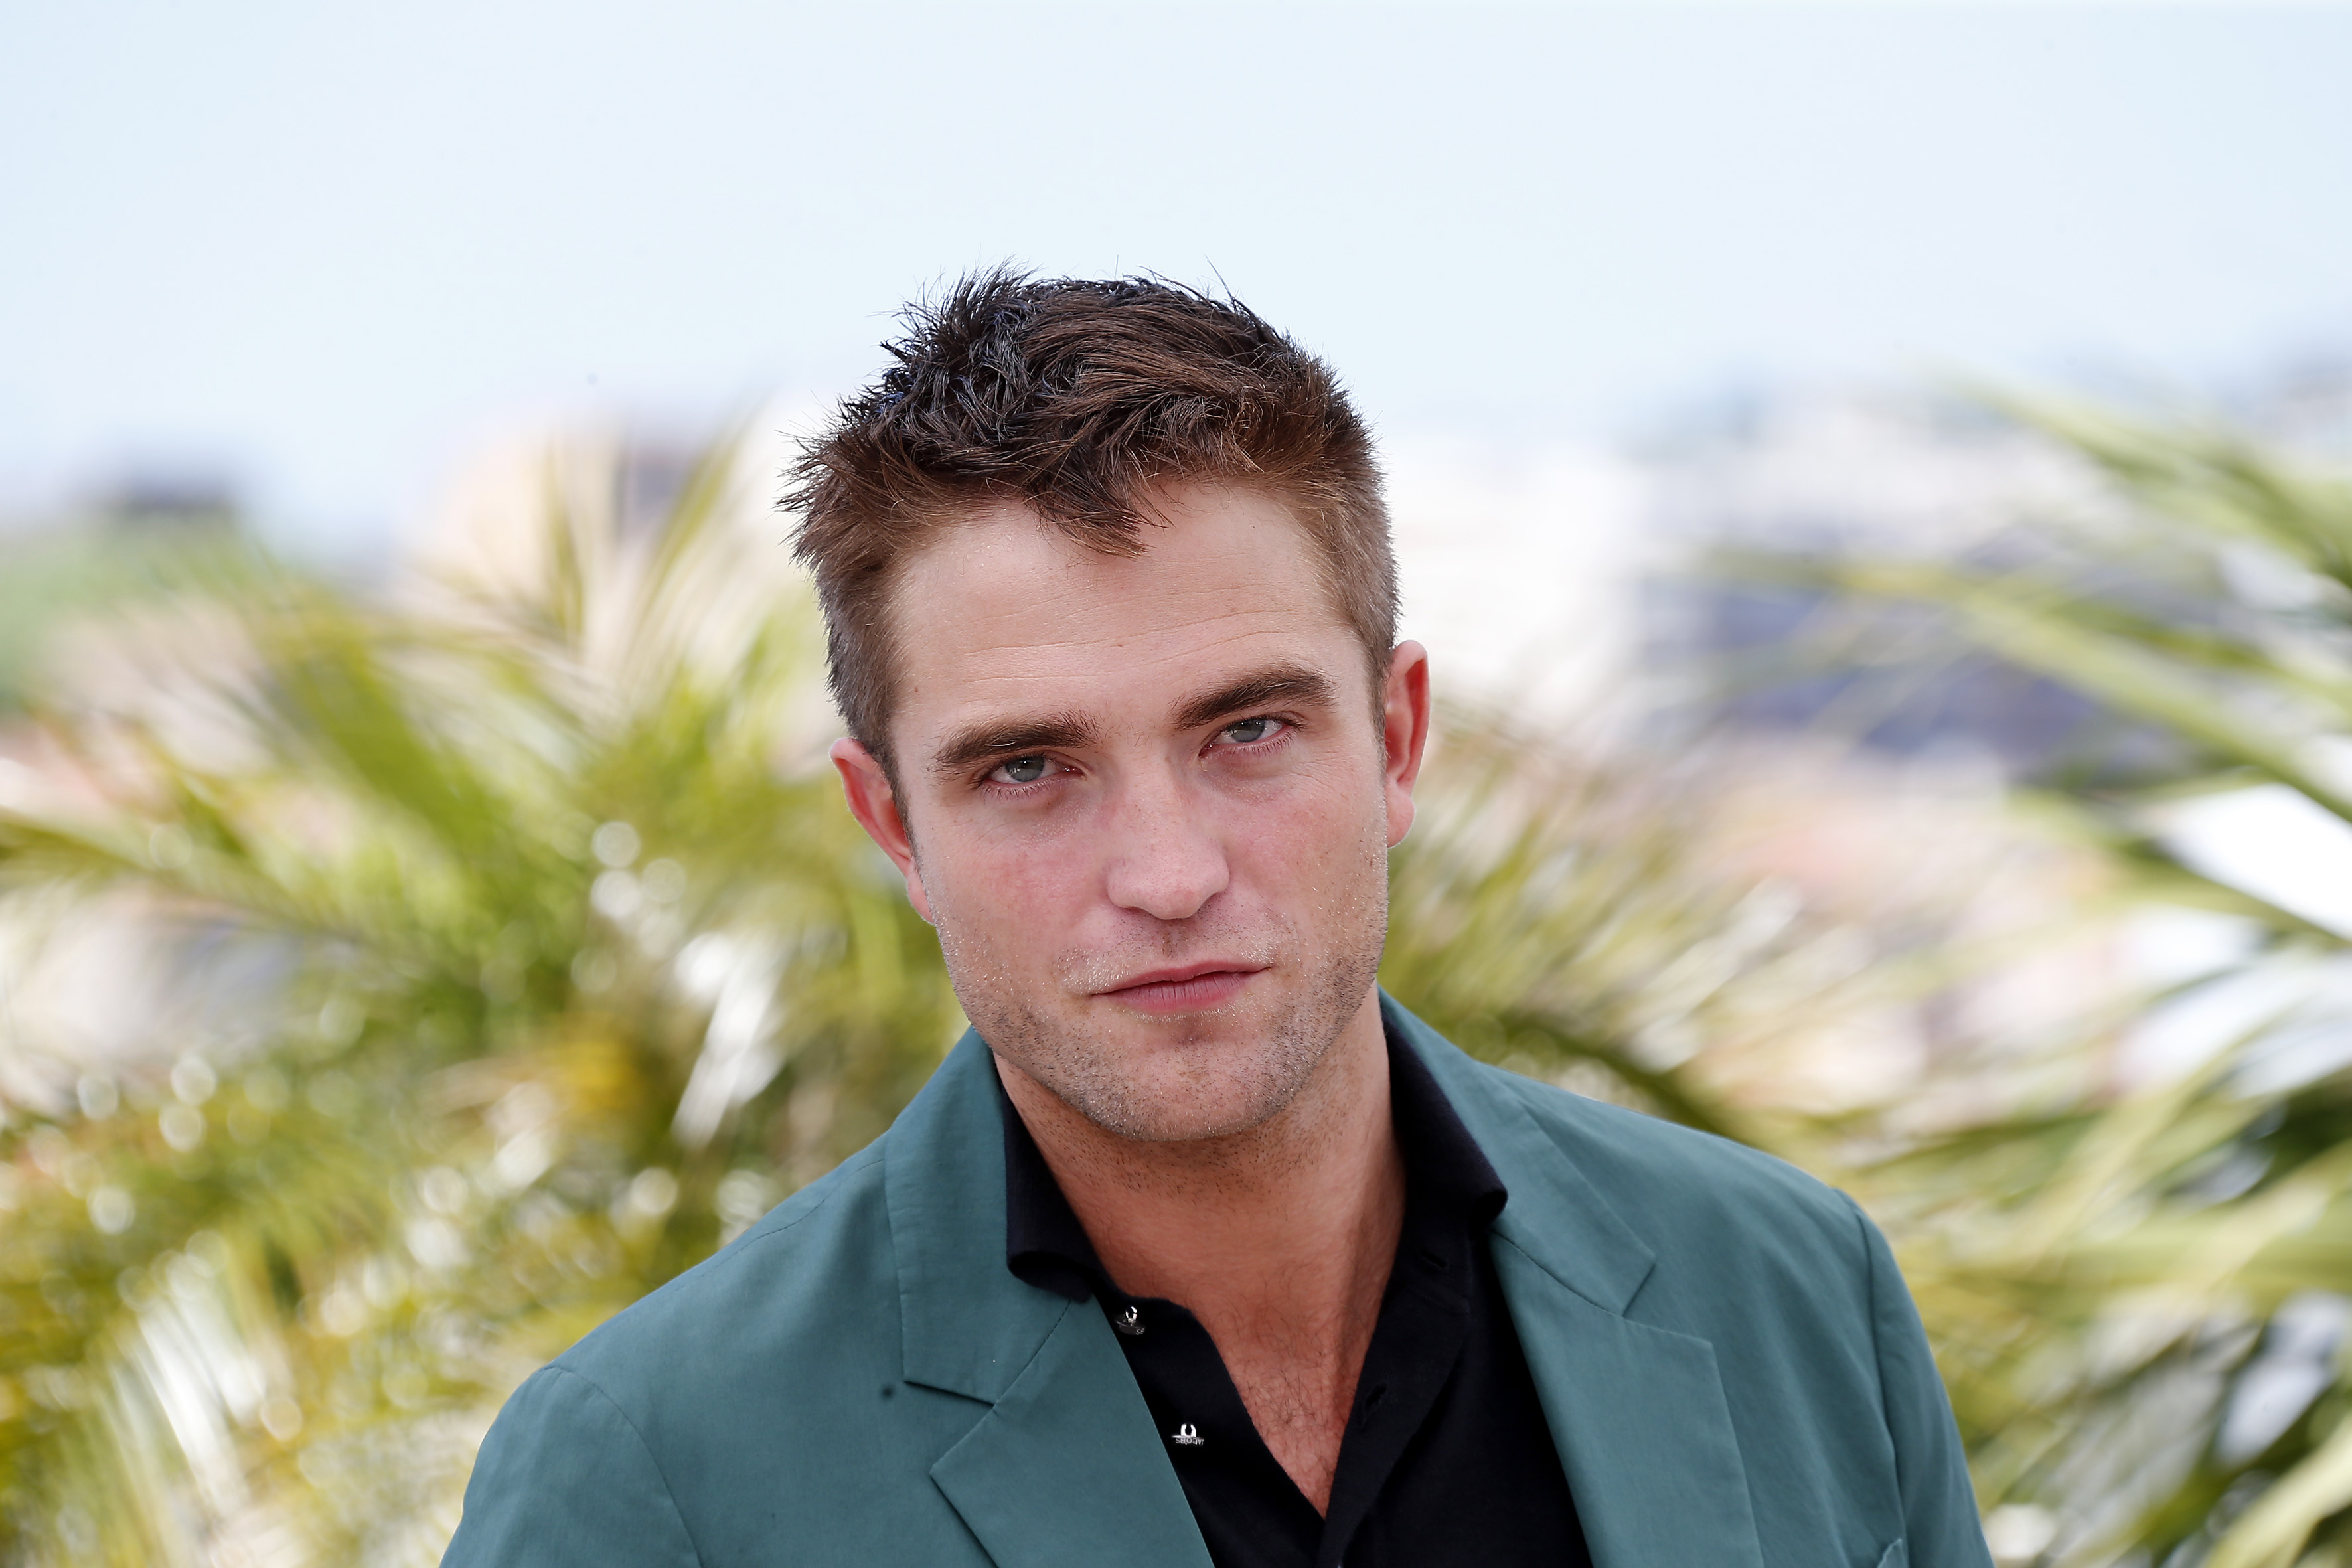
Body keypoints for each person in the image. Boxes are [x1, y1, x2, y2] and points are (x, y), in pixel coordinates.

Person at [439, 272, 1990, 1568]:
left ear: (1394, 739)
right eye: (1027, 766)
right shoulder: (650, 1475)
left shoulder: (1792, 1293)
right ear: (893, 825)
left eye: (1246, 730)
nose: (1167, 872)